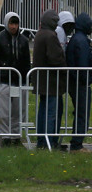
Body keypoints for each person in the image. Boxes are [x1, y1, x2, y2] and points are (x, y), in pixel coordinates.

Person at [0, 12, 31, 147]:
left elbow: (26, 63)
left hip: (19, 82)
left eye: (16, 23)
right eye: (11, 23)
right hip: (4, 81)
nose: (13, 26)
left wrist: (25, 81)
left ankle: (16, 137)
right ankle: (4, 138)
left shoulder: (24, 41)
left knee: (18, 112)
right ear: (6, 23)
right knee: (4, 112)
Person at [32, 10, 67, 150]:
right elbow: (55, 58)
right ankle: (49, 142)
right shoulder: (50, 36)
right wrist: (64, 62)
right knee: (51, 113)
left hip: (42, 80)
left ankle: (42, 141)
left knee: (43, 111)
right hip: (51, 81)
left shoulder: (40, 34)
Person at [66, 12, 92, 153]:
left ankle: (77, 143)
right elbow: (83, 65)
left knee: (81, 112)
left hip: (76, 81)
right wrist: (87, 79)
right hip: (80, 83)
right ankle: (77, 145)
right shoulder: (81, 41)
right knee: (82, 113)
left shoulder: (78, 38)